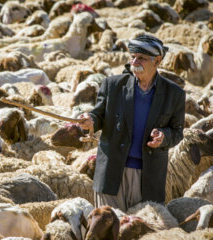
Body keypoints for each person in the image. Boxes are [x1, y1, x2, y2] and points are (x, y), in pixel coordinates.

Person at [78, 34, 186, 211]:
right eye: (133, 56)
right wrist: (90, 121)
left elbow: (177, 131)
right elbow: (97, 116)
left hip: (148, 177)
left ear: (157, 61)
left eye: (142, 58)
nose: (135, 61)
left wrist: (164, 137)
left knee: (140, 232)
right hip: (111, 174)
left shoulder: (174, 94)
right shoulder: (112, 85)